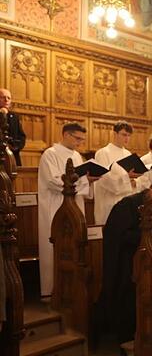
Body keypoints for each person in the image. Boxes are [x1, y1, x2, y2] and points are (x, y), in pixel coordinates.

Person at [99, 176, 152, 347]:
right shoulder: (128, 204)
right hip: (124, 261)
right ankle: (122, 334)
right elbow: (118, 235)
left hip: (142, 261)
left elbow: (151, 229)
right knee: (125, 296)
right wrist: (147, 237)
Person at [37, 123, 97, 297]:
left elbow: (79, 181)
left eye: (82, 140)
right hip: (55, 207)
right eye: (77, 138)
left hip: (75, 206)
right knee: (55, 248)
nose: (80, 143)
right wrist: (85, 181)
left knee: (74, 246)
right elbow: (53, 181)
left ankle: (72, 291)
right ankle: (51, 291)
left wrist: (90, 180)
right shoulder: (50, 154)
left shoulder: (77, 156)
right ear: (65, 134)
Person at [93, 121, 139, 225]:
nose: (127, 138)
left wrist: (135, 181)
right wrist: (127, 178)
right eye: (124, 135)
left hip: (125, 202)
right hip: (108, 203)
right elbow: (104, 179)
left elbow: (133, 179)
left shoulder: (128, 154)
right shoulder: (103, 153)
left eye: (129, 135)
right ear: (114, 134)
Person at [0, 88, 26, 166]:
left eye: (9, 98)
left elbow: (22, 137)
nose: (6, 100)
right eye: (3, 97)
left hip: (12, 156)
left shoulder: (14, 116)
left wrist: (14, 147)